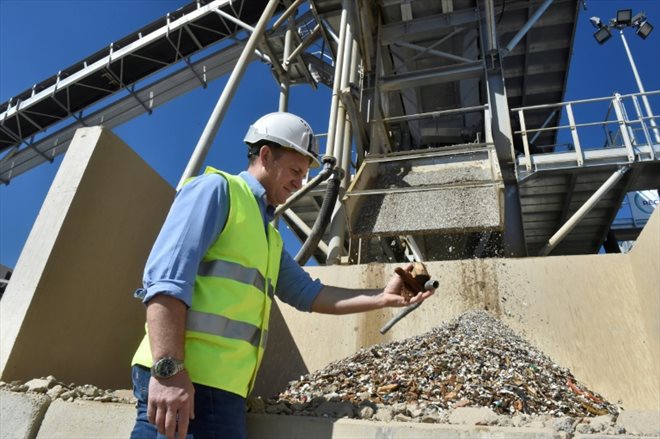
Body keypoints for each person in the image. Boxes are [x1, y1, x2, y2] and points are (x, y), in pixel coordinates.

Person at [129, 112, 435, 439]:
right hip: (183, 380)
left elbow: (310, 294)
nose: (300, 183)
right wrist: (169, 370)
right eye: (295, 171)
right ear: (265, 156)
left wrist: (381, 297)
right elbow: (166, 282)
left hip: (222, 391)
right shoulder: (217, 191)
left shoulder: (269, 238)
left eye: (304, 174)